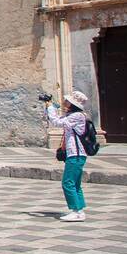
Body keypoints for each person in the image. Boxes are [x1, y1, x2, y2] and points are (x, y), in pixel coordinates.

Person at [46, 90, 92, 222]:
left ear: (72, 104)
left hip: (76, 154)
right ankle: (79, 209)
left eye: (67, 101)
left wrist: (50, 107)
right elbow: (61, 119)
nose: (65, 102)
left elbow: (56, 122)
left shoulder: (77, 116)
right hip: (76, 154)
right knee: (75, 184)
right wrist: (53, 107)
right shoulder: (76, 116)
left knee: (67, 182)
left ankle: (76, 211)